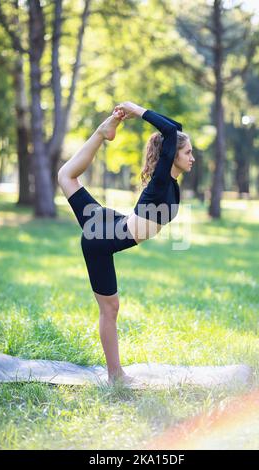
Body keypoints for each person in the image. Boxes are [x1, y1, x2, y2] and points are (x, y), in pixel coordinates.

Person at [58, 101, 194, 386]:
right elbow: (170, 131)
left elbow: (174, 130)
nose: (193, 157)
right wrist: (135, 109)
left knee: (66, 176)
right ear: (173, 155)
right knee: (110, 309)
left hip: (110, 224)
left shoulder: (170, 180)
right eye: (188, 152)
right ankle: (115, 376)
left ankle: (101, 133)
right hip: (101, 240)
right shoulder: (160, 182)